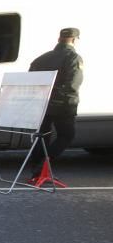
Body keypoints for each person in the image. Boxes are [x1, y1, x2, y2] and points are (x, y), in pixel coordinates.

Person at [27, 27, 84, 178]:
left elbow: (30, 79)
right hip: (63, 105)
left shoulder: (42, 58)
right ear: (74, 40)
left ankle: (35, 166)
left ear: (59, 39)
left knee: (43, 135)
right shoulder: (73, 58)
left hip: (41, 103)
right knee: (66, 135)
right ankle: (43, 165)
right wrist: (62, 100)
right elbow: (73, 84)